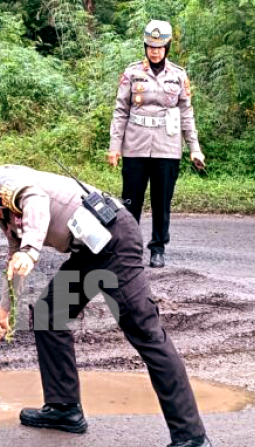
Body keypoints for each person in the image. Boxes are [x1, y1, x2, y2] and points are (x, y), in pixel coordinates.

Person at [0, 145, 217, 447]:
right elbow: (15, 252)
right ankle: (64, 408)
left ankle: (191, 439)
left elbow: (35, 200)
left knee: (146, 333)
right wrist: (5, 309)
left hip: (115, 241)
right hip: (92, 249)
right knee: (50, 314)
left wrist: (32, 250)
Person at [108, 20, 205, 268]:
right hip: (135, 146)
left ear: (167, 47)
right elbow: (120, 111)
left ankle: (158, 248)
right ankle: (128, 249)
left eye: (160, 47)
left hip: (167, 147)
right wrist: (114, 147)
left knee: (162, 201)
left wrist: (194, 148)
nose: (155, 51)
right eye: (151, 46)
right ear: (145, 45)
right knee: (131, 201)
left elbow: (187, 113)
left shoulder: (178, 75)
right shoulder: (132, 73)